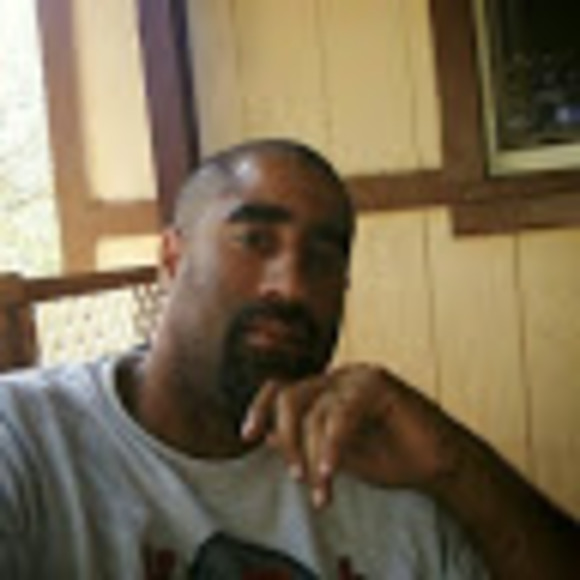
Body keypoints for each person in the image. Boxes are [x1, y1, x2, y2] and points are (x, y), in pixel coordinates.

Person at [0, 139, 578, 579]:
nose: (293, 286)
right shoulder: (25, 438)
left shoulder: (386, 466)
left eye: (323, 258)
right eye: (255, 241)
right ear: (172, 260)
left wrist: (455, 466)